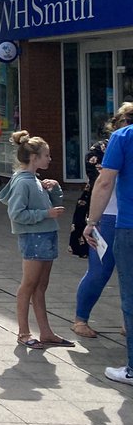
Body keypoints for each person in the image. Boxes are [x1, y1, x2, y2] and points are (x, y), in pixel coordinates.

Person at [0, 130, 71, 350]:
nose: (49, 159)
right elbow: (17, 214)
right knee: (29, 285)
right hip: (34, 237)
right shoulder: (24, 182)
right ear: (33, 157)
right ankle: (23, 332)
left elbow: (50, 205)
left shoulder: (35, 180)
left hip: (46, 235)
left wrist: (55, 188)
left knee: (40, 286)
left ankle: (46, 332)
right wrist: (45, 215)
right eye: (46, 155)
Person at [85, 101, 133, 385]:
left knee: (131, 296)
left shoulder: (122, 137)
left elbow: (105, 183)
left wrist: (92, 222)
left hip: (129, 225)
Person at [72, 110, 129, 338]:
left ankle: (128, 323)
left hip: (125, 216)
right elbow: (102, 182)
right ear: (115, 124)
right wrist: (92, 221)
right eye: (126, 121)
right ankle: (80, 319)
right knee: (99, 271)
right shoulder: (103, 148)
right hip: (107, 216)